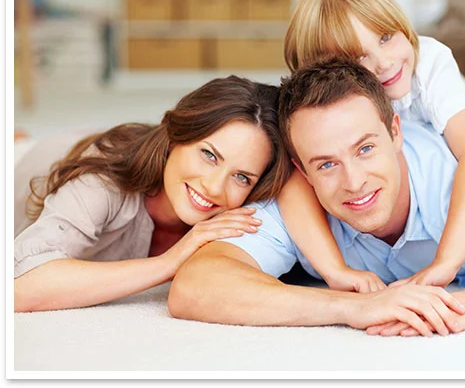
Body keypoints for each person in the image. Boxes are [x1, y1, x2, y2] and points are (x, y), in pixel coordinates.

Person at [167, 58, 465, 337]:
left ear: (395, 132)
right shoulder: (296, 199)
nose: (354, 182)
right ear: (300, 168)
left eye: (365, 148)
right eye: (326, 164)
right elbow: (197, 286)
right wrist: (348, 308)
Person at [276, 0, 465, 293]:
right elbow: (292, 179)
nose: (384, 63)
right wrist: (335, 270)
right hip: (413, 152)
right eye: (358, 57)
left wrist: (445, 264)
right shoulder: (313, 114)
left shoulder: (430, 64)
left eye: (385, 37)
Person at [13, 77, 291, 312]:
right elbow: (18, 286)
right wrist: (167, 263)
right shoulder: (102, 180)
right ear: (174, 137)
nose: (215, 187)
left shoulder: (245, 212)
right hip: (36, 161)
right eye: (209, 155)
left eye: (241, 177)